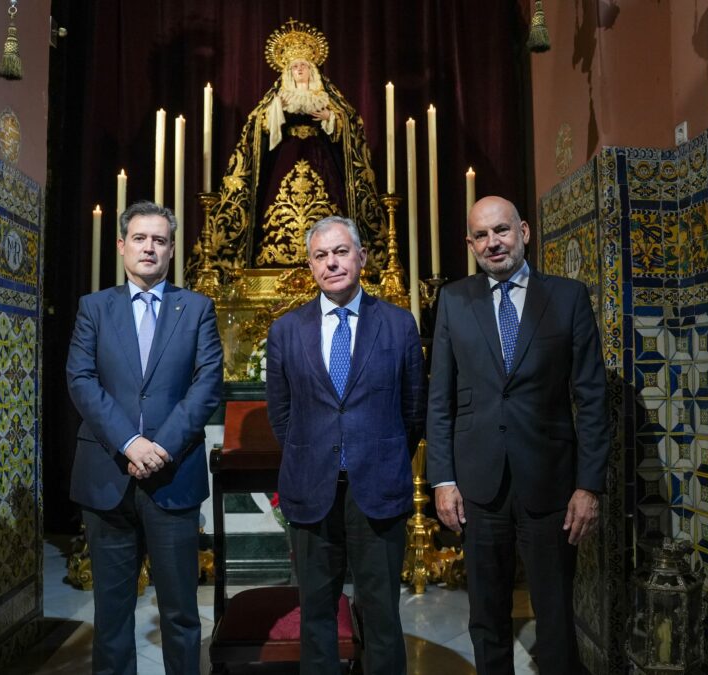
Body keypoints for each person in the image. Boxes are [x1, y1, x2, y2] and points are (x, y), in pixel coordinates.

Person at [425, 196, 610, 675]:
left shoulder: (568, 297)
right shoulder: (453, 300)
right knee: (486, 616)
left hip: (550, 483)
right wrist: (442, 479)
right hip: (478, 486)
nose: (493, 243)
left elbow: (592, 398)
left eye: (501, 231)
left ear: (524, 232)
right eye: (481, 236)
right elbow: (439, 397)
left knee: (553, 616)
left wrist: (588, 486)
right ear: (470, 244)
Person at [67, 200, 224, 675]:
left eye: (159, 239)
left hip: (173, 478)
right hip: (107, 476)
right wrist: (129, 442)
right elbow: (81, 379)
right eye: (140, 238)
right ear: (121, 246)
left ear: (171, 249)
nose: (149, 247)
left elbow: (208, 382)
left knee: (180, 614)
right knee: (112, 616)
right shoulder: (94, 308)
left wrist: (162, 446)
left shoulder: (196, 308)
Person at [265, 215, 426, 674]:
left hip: (377, 488)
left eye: (340, 252)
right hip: (311, 488)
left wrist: (372, 450)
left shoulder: (397, 325)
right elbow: (281, 414)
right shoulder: (286, 331)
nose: (331, 263)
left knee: (381, 613)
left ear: (362, 257)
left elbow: (413, 409)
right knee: (316, 613)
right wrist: (315, 450)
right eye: (320, 255)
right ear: (310, 265)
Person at [189, 19, 387, 280]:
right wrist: (276, 112)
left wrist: (330, 117)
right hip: (285, 157)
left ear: (312, 69)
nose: (300, 70)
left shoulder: (327, 96)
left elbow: (350, 125)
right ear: (288, 71)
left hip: (322, 160)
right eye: (295, 67)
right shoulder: (277, 97)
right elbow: (257, 128)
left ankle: (330, 256)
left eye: (304, 66)